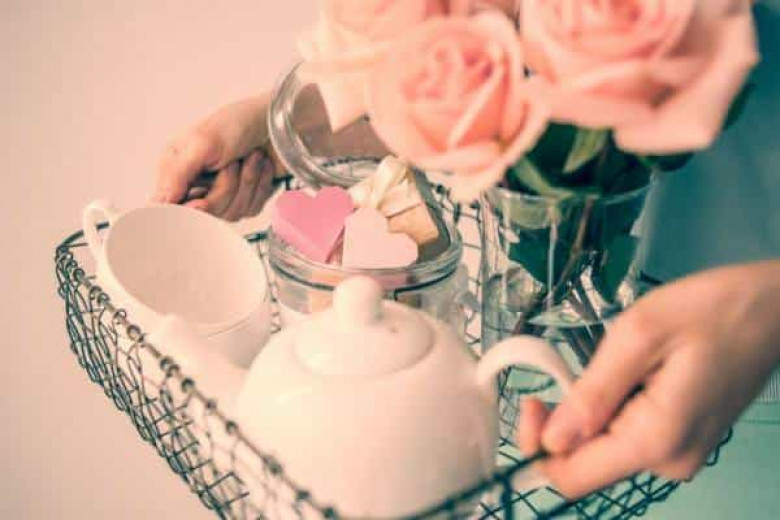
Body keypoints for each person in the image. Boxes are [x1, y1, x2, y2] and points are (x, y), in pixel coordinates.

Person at [153, 3, 780, 500]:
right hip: (557, 389)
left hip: (739, 412)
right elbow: (499, 80)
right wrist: (282, 128)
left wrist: (766, 307)